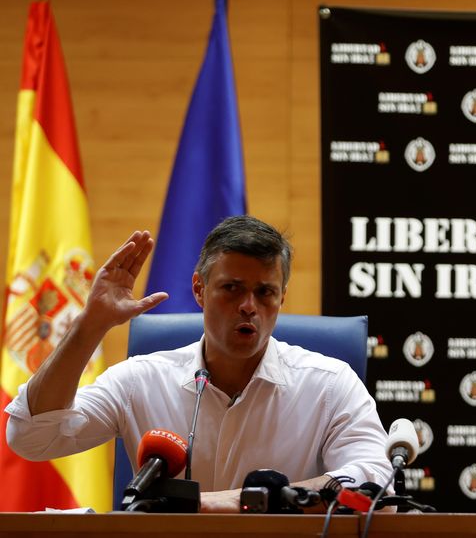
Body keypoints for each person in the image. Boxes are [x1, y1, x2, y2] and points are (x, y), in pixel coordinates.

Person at [5, 216, 392, 512]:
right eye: (232, 288)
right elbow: (31, 437)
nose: (248, 306)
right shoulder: (141, 380)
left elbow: (375, 485)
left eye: (265, 292)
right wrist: (91, 325)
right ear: (199, 290)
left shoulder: (329, 384)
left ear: (282, 298)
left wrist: (220, 503)